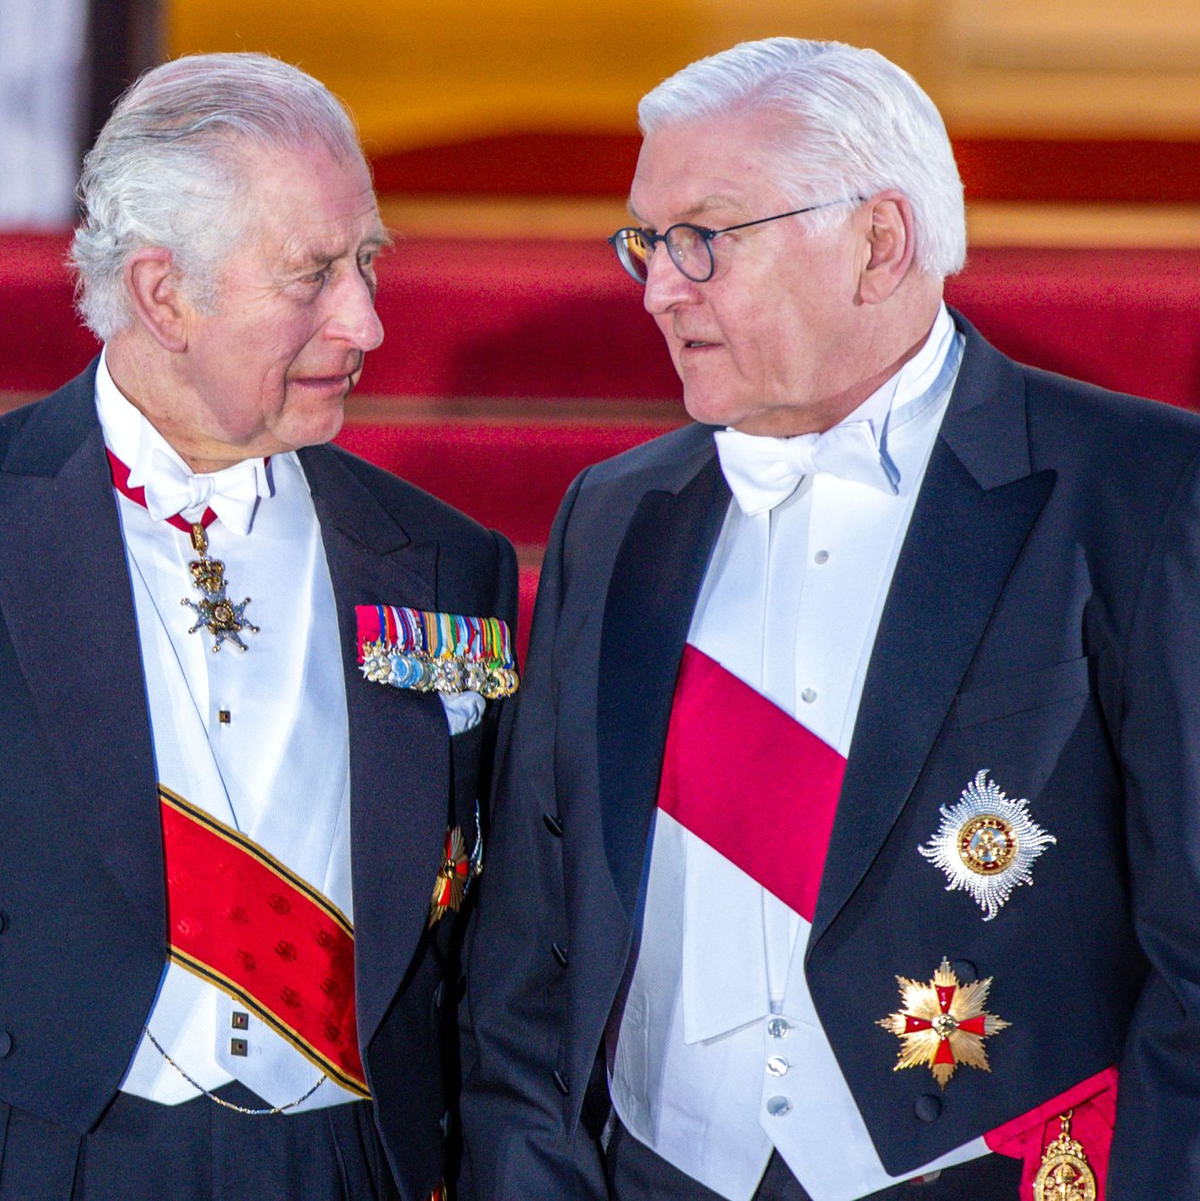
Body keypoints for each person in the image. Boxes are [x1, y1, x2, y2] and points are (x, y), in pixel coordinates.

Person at [460, 36, 1200, 1201]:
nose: (659, 288)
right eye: (646, 242)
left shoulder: (1139, 493)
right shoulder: (615, 515)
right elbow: (530, 942)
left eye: (705, 238)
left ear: (878, 243)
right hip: (660, 1172)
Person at [0, 52, 517, 1200]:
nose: (366, 321)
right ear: (163, 294)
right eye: (312, 275)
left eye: (367, 261)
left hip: (351, 1163)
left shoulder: (447, 563)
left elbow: (493, 945)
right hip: (58, 1155)